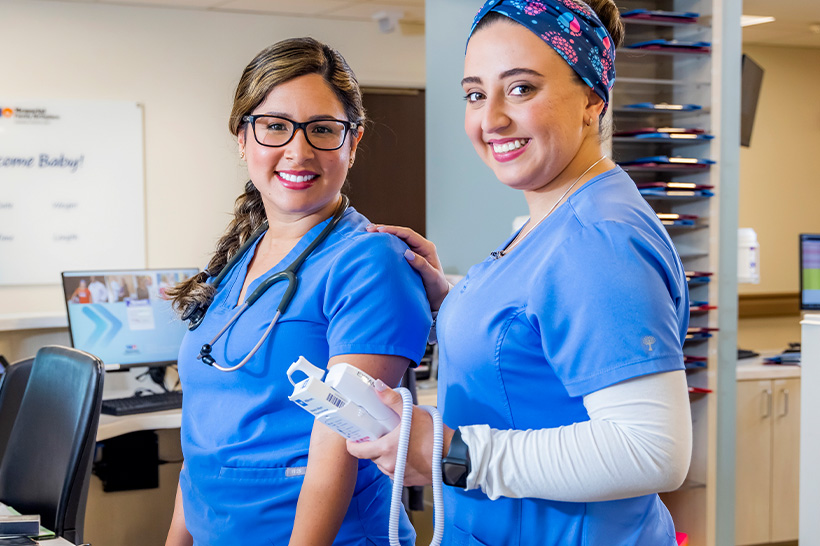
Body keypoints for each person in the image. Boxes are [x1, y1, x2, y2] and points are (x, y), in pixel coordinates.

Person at [347, 1, 693, 545]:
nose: (491, 120)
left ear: (591, 100)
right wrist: (456, 299)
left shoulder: (597, 237)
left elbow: (649, 450)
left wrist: (451, 451)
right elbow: (544, 331)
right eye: (476, 94)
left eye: (521, 88)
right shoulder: (554, 218)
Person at [163, 38, 430, 546]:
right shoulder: (239, 257)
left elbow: (336, 455)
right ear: (243, 138)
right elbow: (204, 443)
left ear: (353, 142)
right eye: (275, 126)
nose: (299, 150)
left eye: (323, 130)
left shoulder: (370, 263)